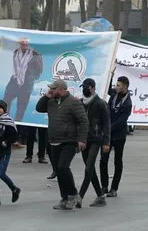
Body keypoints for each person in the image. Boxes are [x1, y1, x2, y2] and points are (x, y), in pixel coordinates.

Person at [36, 78, 88, 210]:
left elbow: (83, 121)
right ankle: (64, 198)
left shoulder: (74, 102)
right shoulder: (51, 102)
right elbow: (39, 108)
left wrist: (82, 139)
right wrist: (46, 96)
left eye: (53, 89)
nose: (51, 91)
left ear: (61, 89)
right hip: (54, 140)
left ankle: (72, 194)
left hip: (69, 140)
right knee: (58, 170)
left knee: (63, 167)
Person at [77, 78, 110, 208]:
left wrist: (106, 142)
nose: (84, 89)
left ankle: (79, 197)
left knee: (89, 167)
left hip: (96, 139)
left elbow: (107, 125)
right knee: (90, 170)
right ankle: (100, 196)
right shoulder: (80, 103)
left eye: (86, 87)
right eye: (83, 87)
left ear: (92, 88)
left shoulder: (101, 104)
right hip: (83, 140)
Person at [100, 76, 132, 197]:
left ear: (125, 86)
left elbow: (121, 122)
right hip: (107, 134)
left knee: (117, 161)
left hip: (118, 135)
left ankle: (114, 188)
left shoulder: (128, 103)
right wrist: (111, 74)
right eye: (116, 85)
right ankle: (104, 186)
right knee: (103, 160)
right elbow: (107, 87)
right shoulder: (114, 93)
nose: (116, 87)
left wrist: (107, 129)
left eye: (118, 85)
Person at [0, 100, 21, 206]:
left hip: (5, 152)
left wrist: (6, 142)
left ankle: (14, 189)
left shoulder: (9, 122)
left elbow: (14, 137)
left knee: (1, 174)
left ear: (4, 110)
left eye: (0, 108)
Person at [3, 37, 43, 121]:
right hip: (15, 79)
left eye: (26, 44)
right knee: (6, 100)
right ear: (20, 44)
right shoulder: (16, 52)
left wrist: (30, 76)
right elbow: (15, 65)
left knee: (21, 106)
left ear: (28, 44)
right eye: (22, 44)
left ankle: (18, 123)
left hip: (27, 83)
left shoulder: (35, 53)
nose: (24, 45)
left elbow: (39, 69)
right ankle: (6, 119)